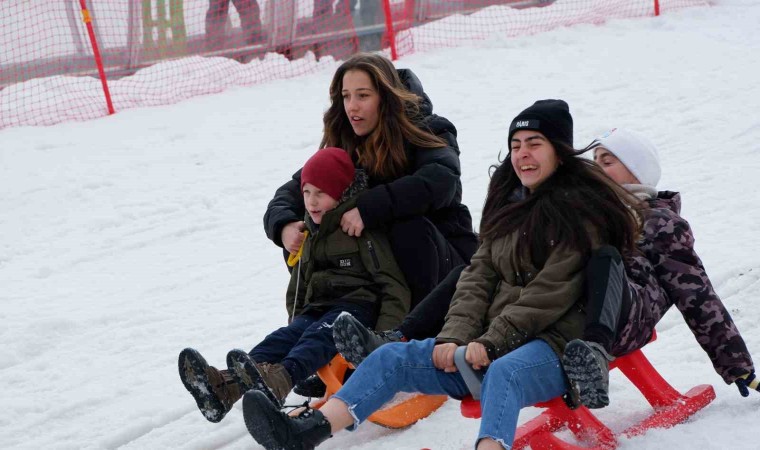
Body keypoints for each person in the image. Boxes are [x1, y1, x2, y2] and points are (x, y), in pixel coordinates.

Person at [242, 100, 643, 450]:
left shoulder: (581, 214)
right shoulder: (510, 208)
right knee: (389, 358)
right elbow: (476, 278)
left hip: (552, 347)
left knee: (504, 372)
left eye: (534, 144)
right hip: (487, 346)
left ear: (559, 151)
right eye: (516, 145)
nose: (523, 155)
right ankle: (307, 431)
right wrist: (455, 337)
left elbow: (551, 292)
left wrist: (491, 342)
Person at [177, 147, 410, 423]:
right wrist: (296, 319)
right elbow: (300, 283)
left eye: (321, 193)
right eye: (307, 192)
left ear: (341, 192)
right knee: (284, 337)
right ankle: (227, 386)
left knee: (317, 337)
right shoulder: (309, 231)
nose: (311, 201)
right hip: (319, 307)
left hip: (357, 310)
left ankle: (283, 378)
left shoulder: (361, 229)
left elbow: (393, 285)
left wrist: (383, 338)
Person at [263, 52, 477, 313]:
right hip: (377, 273)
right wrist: (283, 225)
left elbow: (441, 180)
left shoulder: (428, 129)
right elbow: (292, 193)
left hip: (446, 266)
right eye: (346, 96)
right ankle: (318, 322)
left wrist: (368, 208)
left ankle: (418, 328)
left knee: (406, 227)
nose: (352, 106)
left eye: (363, 96)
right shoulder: (345, 143)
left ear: (385, 98)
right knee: (308, 229)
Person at [561, 127, 759, 408]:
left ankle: (593, 355)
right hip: (577, 313)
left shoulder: (659, 222)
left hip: (628, 318)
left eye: (608, 161)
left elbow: (696, 294)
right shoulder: (588, 215)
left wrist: (737, 365)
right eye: (595, 162)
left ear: (636, 172)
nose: (598, 169)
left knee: (605, 260)